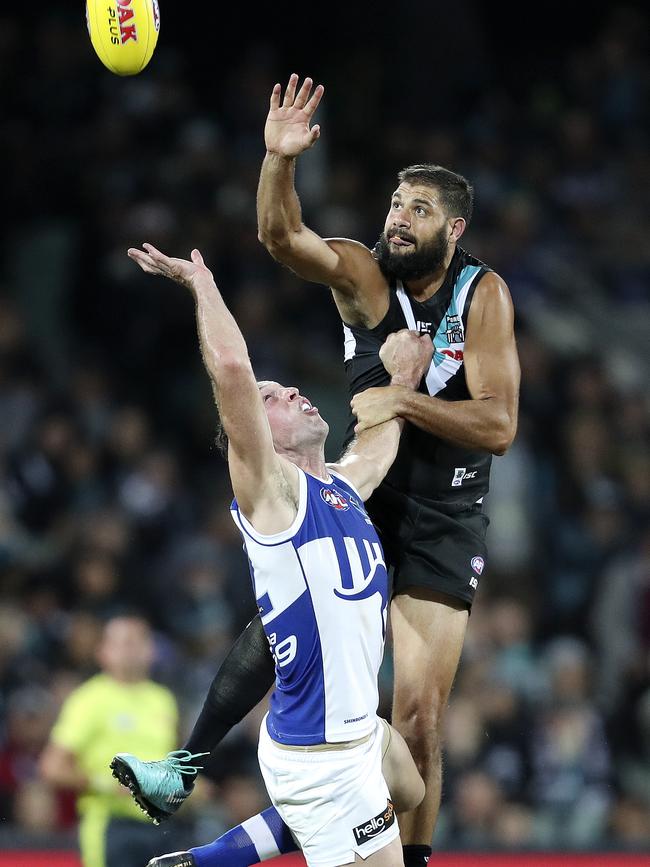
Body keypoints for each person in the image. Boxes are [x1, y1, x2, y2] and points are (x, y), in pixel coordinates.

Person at [111, 74, 520, 867]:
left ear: (455, 226)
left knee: (418, 723)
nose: (399, 220)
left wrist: (398, 403)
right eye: (397, 205)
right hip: (357, 484)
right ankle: (189, 762)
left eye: (420, 211)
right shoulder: (367, 280)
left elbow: (498, 424)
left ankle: (379, 851)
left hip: (441, 507)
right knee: (293, 615)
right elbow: (280, 238)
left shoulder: (483, 296)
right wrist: (278, 161)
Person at [111, 242, 431, 867]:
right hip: (325, 759)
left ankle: (211, 860)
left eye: (289, 389)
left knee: (409, 785)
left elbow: (377, 441)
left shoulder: (338, 486)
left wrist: (403, 381)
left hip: (356, 735)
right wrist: (202, 283)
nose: (294, 394)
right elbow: (230, 367)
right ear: (256, 435)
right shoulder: (273, 496)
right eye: (275, 396)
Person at [39, 614, 188, 867]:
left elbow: (172, 761)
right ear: (103, 652)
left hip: (161, 826)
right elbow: (51, 767)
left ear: (152, 650)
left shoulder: (163, 700)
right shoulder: (89, 700)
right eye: (124, 643)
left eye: (140, 641)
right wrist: (108, 784)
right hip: (112, 825)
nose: (133, 650)